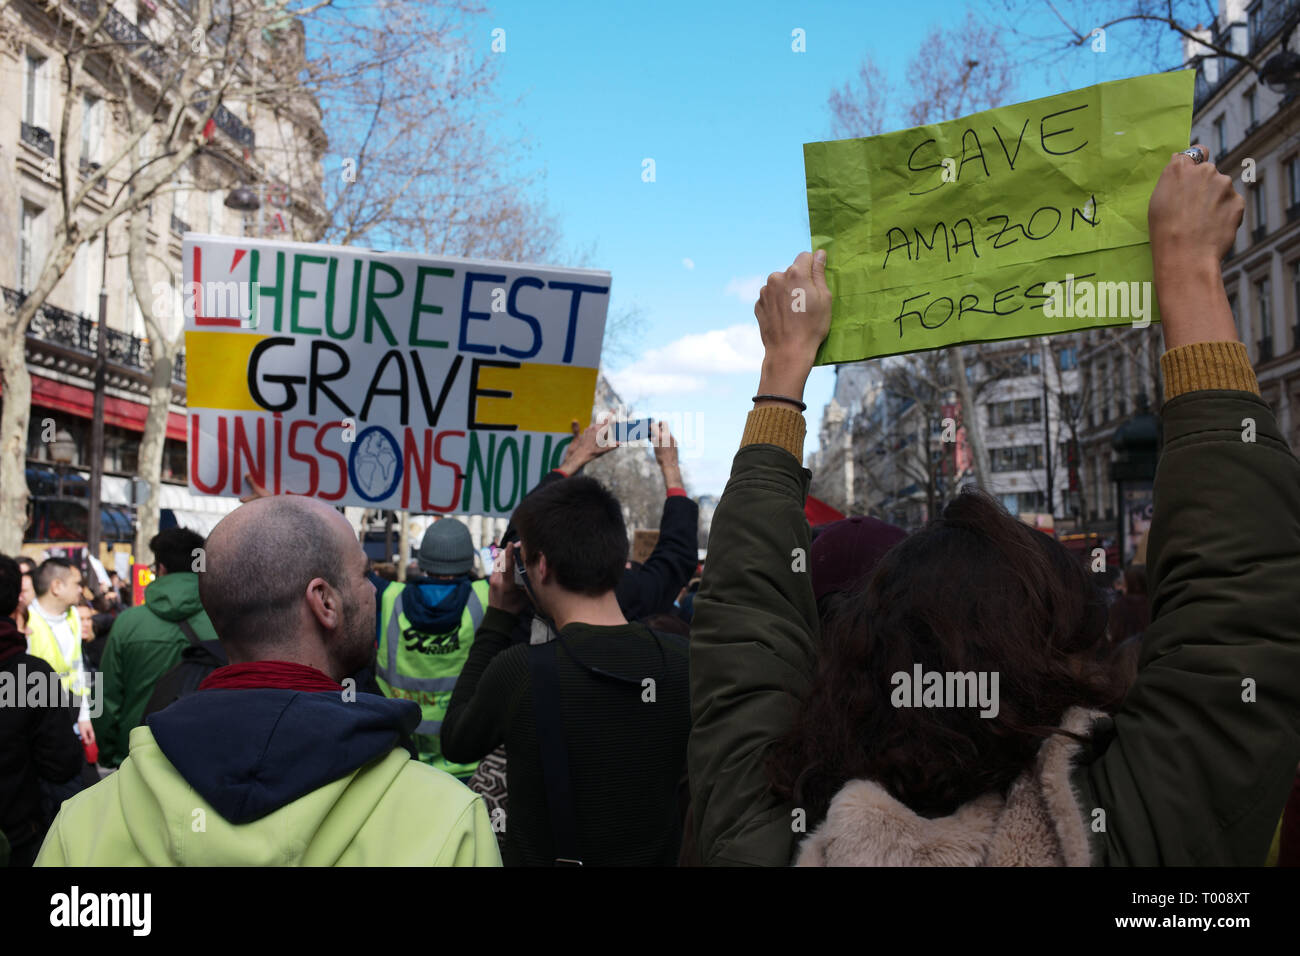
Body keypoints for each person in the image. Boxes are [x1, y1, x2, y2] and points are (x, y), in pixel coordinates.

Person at [689, 147, 1300, 866]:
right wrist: (1191, 273)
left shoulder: (760, 840)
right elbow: (1239, 593)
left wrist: (782, 366)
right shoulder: (1136, 833)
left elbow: (741, 636)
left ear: (847, 668)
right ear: (1072, 665)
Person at [36, 495, 500, 866]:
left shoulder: (86, 823)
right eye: (363, 575)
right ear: (325, 602)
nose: (372, 590)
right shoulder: (446, 822)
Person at [441, 476, 691, 866]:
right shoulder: (683, 662)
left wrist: (498, 617)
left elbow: (456, 741)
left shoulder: (519, 671)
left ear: (541, 567)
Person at [373, 518, 491, 780]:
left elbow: (347, 564)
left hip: (401, 763)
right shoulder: (486, 596)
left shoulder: (388, 597)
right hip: (467, 766)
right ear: (467, 561)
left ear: (422, 560)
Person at [92, 528, 218, 769]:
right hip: (206, 757)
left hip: (137, 756)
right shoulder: (223, 620)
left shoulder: (127, 623)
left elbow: (106, 697)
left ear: (160, 568)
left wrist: (109, 755)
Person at [0, 556, 85, 867]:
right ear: (16, 604)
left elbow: (80, 668)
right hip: (18, 833)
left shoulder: (73, 619)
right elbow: (61, 764)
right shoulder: (30, 674)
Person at [25, 559, 93, 751]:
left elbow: (78, 668)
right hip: (38, 720)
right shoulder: (28, 621)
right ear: (57, 586)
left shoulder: (73, 618)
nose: (81, 589)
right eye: (77, 583)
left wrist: (84, 716)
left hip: (70, 713)